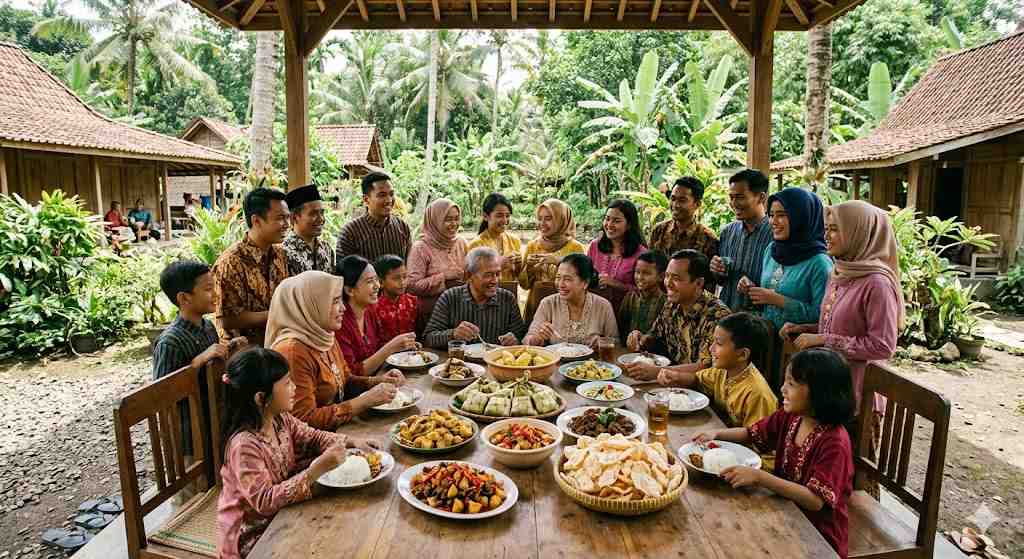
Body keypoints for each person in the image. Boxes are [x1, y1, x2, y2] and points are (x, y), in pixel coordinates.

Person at [217, 348, 380, 559]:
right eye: (286, 383)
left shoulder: (279, 418)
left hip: (285, 512)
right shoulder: (244, 446)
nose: (294, 387)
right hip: (254, 536)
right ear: (260, 398)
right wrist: (313, 472)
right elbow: (264, 501)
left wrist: (351, 442)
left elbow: (312, 436)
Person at [692, 348, 855, 558]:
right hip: (781, 511)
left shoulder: (835, 442)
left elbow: (815, 500)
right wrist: (716, 434)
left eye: (791, 384)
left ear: (821, 392)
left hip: (816, 536)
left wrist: (760, 477)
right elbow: (751, 433)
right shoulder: (791, 417)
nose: (782, 389)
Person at [781, 201, 902, 477]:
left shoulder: (877, 283)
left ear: (860, 233)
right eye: (826, 228)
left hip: (857, 398)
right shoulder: (840, 271)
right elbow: (836, 323)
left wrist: (823, 339)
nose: (827, 235)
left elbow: (883, 346)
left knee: (848, 480)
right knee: (819, 473)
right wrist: (804, 328)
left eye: (835, 229)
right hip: (827, 391)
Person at [153, 260, 245, 503]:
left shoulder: (207, 327)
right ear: (184, 298)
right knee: (191, 497)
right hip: (187, 437)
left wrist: (230, 350)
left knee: (214, 485)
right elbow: (162, 395)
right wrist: (197, 361)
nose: (215, 293)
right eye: (207, 289)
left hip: (211, 423)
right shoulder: (170, 342)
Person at [266, 271, 404, 431]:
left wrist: (378, 381)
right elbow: (303, 421)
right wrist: (363, 401)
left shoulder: (323, 335)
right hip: (316, 441)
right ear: (311, 305)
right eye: (335, 301)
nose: (343, 308)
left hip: (339, 429)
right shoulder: (293, 352)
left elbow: (345, 381)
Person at [742, 187, 832, 390]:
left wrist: (776, 299)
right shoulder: (772, 250)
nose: (773, 221)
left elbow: (823, 317)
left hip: (798, 353)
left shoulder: (820, 263)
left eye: (782, 215)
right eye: (771, 215)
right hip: (766, 346)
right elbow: (768, 294)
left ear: (802, 218)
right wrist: (751, 289)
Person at [656, 312, 776, 429]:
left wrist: (717, 434)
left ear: (742, 354)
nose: (711, 348)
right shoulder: (723, 370)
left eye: (719, 343)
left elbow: (755, 437)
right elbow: (697, 380)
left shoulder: (758, 394)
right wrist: (676, 376)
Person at [623, 250, 731, 380]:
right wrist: (640, 339)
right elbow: (654, 336)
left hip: (703, 389)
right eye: (667, 276)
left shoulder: (717, 316)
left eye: (676, 278)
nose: (667, 283)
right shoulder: (671, 305)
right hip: (672, 384)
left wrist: (658, 372)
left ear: (698, 283)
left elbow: (707, 367)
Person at [212, 188, 290, 347]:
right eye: (280, 218)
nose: (287, 225)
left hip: (278, 343)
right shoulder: (231, 262)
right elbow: (227, 319)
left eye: (288, 217)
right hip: (244, 352)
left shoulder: (281, 254)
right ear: (256, 221)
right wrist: (277, 314)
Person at [423, 247, 527, 348]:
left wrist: (515, 340)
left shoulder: (507, 299)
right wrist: (453, 334)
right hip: (459, 359)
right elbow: (428, 338)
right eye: (488, 275)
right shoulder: (449, 298)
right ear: (469, 275)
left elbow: (520, 335)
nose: (495, 280)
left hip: (496, 359)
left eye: (497, 274)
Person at [335, 255, 419, 376]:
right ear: (349, 290)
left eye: (376, 280)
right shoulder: (340, 323)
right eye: (370, 281)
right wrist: (390, 347)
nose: (377, 286)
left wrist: (403, 346)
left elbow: (377, 347)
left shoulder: (369, 310)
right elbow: (351, 375)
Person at [710, 169, 774, 312]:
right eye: (731, 197)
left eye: (740, 197)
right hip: (726, 315)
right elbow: (721, 281)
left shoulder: (774, 234)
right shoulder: (727, 232)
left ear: (761, 197)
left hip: (759, 319)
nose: (734, 203)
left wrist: (754, 289)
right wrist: (716, 269)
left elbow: (782, 285)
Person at [523, 254, 618, 348]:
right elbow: (528, 339)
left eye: (567, 279)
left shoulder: (603, 306)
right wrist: (537, 338)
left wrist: (603, 342)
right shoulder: (548, 303)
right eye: (558, 277)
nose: (560, 284)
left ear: (585, 283)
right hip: (555, 358)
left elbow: (616, 343)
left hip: (593, 358)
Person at [520, 199, 586, 323]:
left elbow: (583, 283)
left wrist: (559, 261)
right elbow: (524, 285)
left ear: (562, 220)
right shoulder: (532, 246)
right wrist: (529, 268)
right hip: (536, 305)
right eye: (540, 218)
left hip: (565, 307)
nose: (542, 223)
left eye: (548, 218)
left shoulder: (576, 248)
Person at [407, 198, 468, 325]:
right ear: (435, 220)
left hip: (461, 312)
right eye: (448, 219)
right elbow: (412, 286)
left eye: (456, 218)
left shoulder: (461, 243)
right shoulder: (421, 248)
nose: (454, 224)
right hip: (432, 316)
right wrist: (444, 277)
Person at [649, 177, 719, 288]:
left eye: (682, 200)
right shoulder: (659, 231)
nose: (675, 205)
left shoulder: (708, 238)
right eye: (673, 199)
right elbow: (649, 267)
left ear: (697, 204)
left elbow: (709, 283)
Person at [335, 172, 411, 263]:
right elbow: (343, 269)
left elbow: (410, 265)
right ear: (366, 200)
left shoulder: (402, 227)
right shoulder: (350, 233)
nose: (389, 200)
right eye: (382, 195)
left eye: (391, 194)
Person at [587, 199, 648, 310]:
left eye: (616, 221)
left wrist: (617, 284)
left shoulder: (641, 254)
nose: (609, 224)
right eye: (607, 219)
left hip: (626, 313)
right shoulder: (594, 246)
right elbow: (584, 275)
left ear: (629, 225)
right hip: (594, 310)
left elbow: (646, 292)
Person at [467, 193, 522, 290]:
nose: (504, 220)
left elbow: (521, 280)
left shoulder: (514, 241)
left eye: (507, 215)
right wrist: (498, 264)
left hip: (510, 293)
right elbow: (472, 279)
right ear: (485, 216)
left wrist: (519, 266)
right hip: (485, 295)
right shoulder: (476, 245)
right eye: (499, 215)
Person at [282, 184, 335, 276]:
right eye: (313, 214)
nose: (321, 219)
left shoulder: (326, 248)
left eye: (322, 213)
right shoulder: (284, 253)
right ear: (294, 217)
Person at [617, 250, 668, 344]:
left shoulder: (666, 303)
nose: (640, 277)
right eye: (637, 272)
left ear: (661, 277)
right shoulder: (631, 297)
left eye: (646, 273)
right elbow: (621, 327)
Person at [373, 254, 420, 341]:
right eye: (396, 278)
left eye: (404, 277)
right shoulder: (374, 308)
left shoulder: (413, 302)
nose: (402, 282)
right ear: (381, 282)